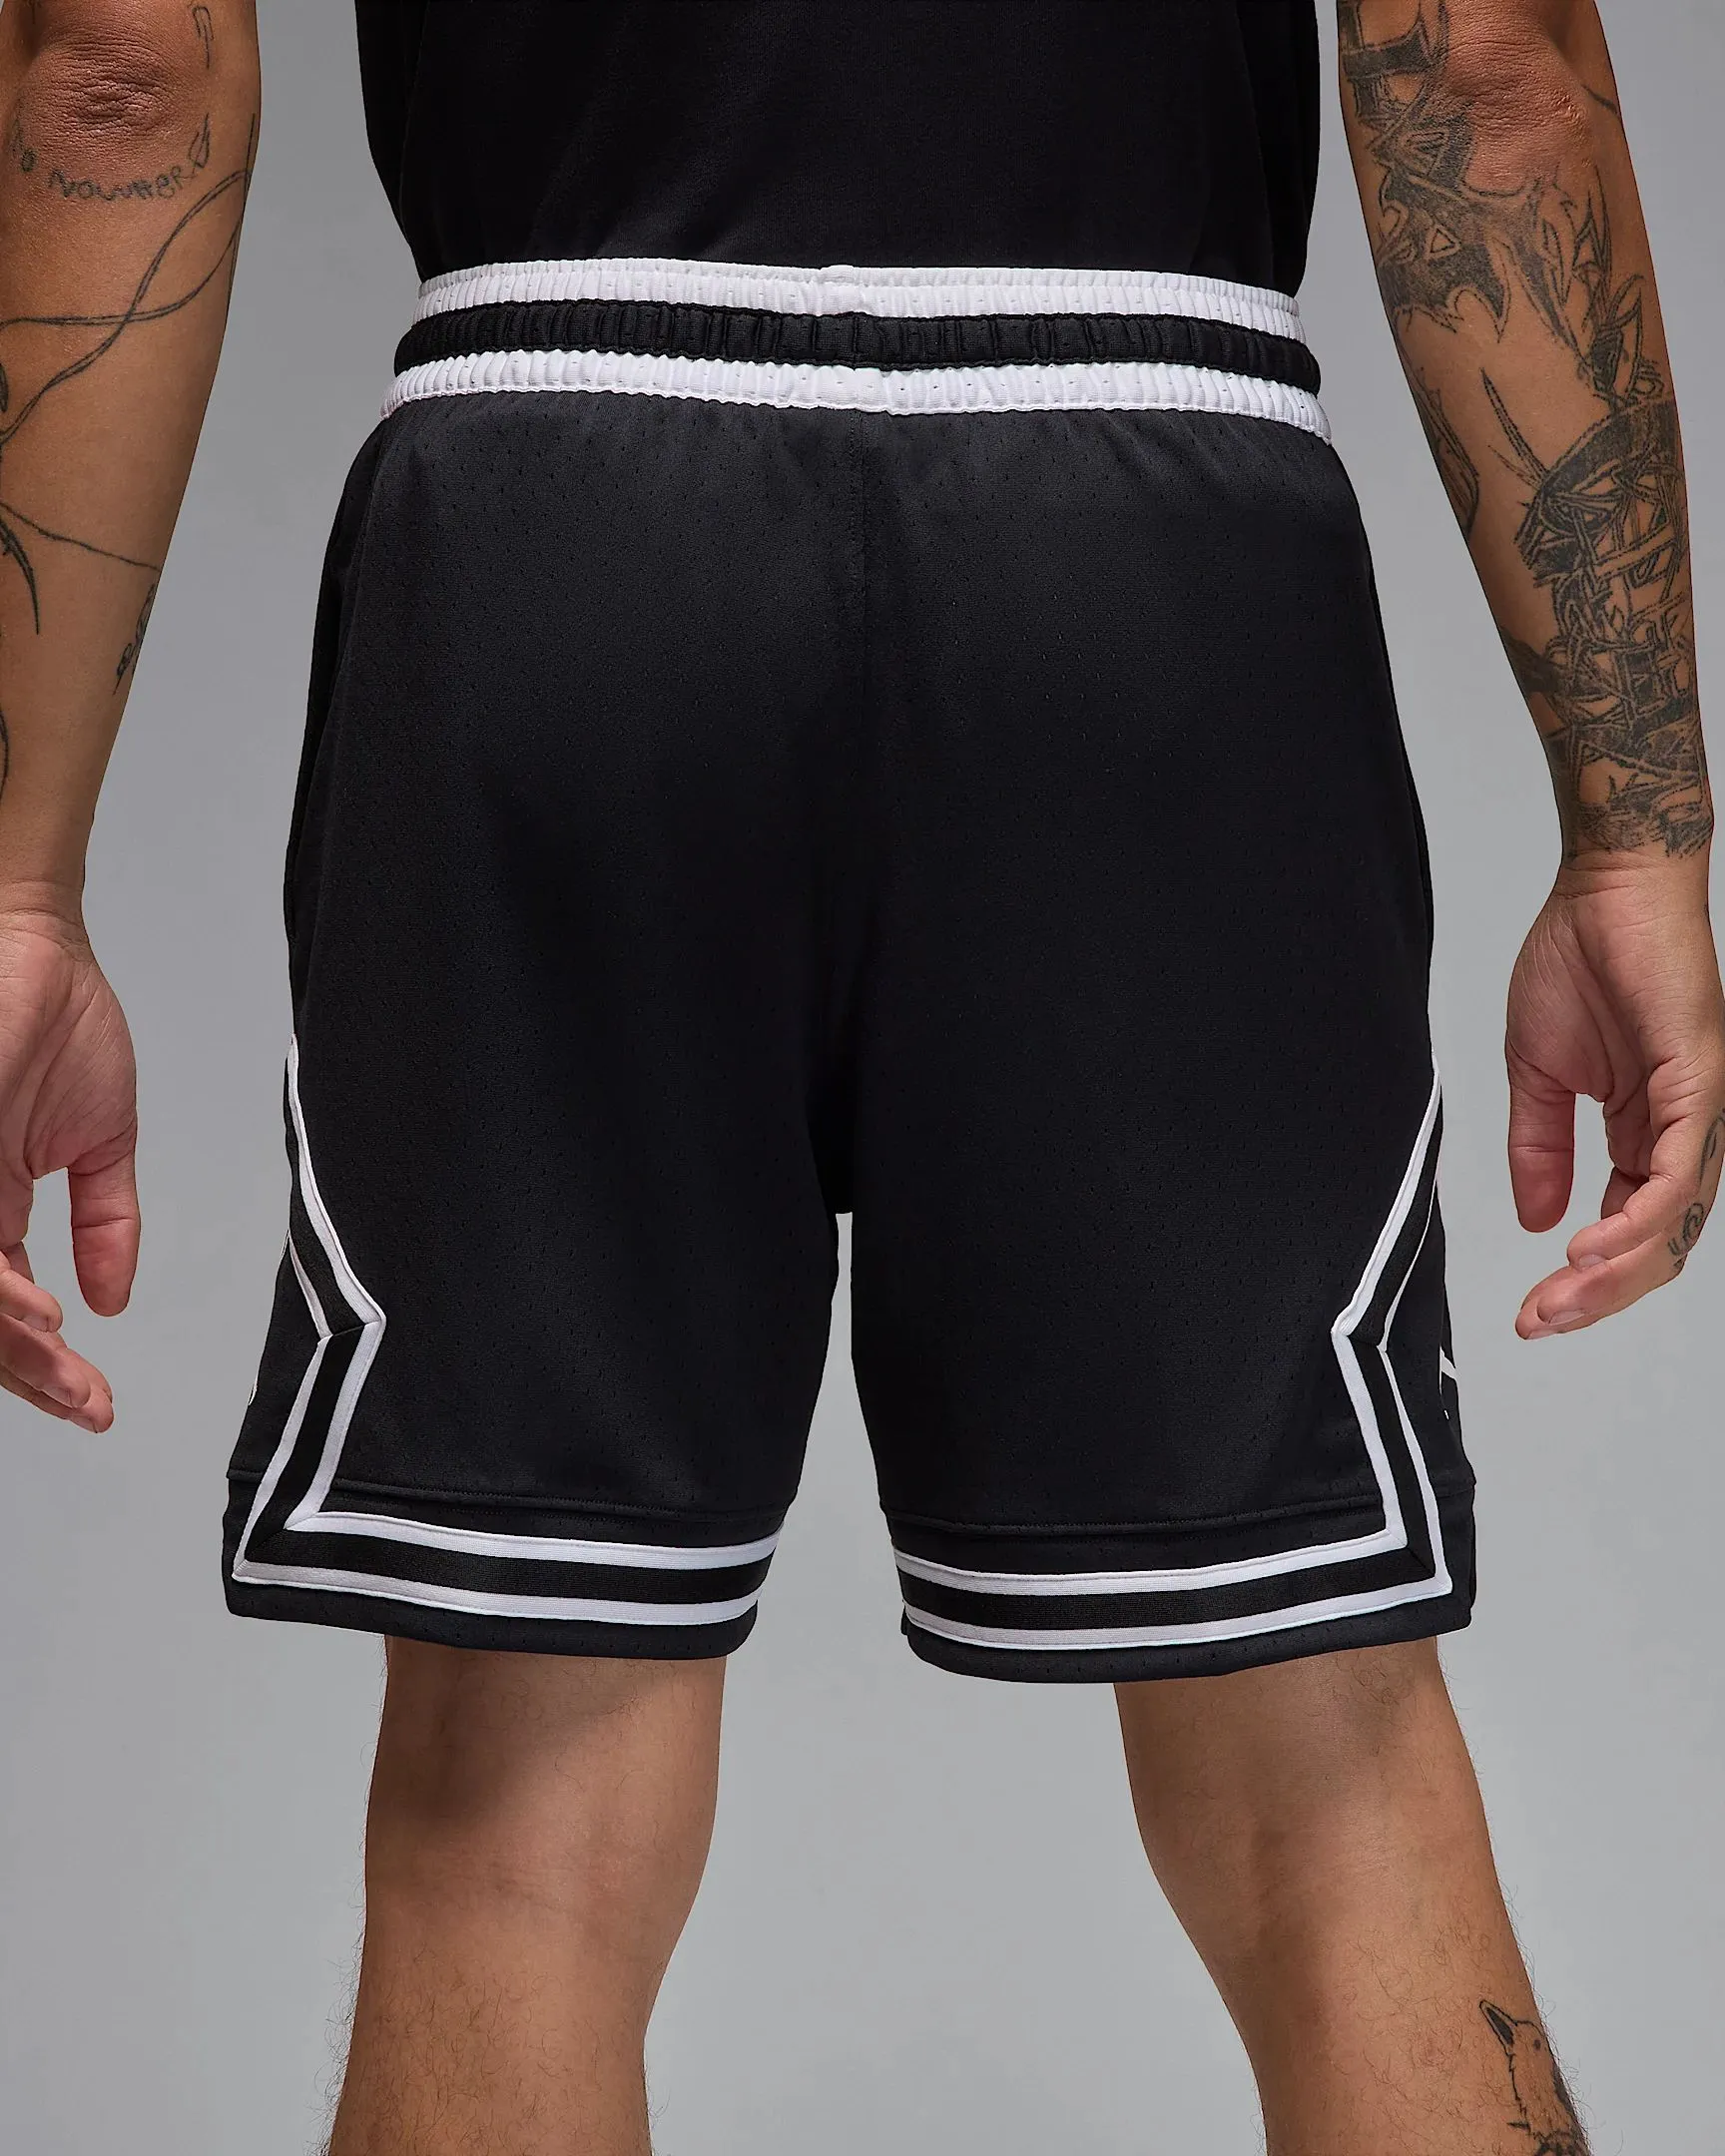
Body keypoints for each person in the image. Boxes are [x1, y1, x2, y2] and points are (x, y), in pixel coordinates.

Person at [0, 0, 1715, 2148]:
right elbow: (1481, 64)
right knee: (1328, 1788)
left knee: (516, 1842)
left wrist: (20, 885)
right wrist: (1637, 832)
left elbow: (120, 66)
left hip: (565, 506)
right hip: (1144, 524)